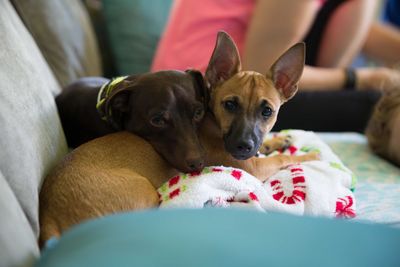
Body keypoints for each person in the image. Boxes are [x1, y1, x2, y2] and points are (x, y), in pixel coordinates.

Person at [152, 0, 400, 132]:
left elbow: (360, 32)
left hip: (229, 84)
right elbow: (262, 72)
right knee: (380, 104)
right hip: (199, 93)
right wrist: (359, 79)